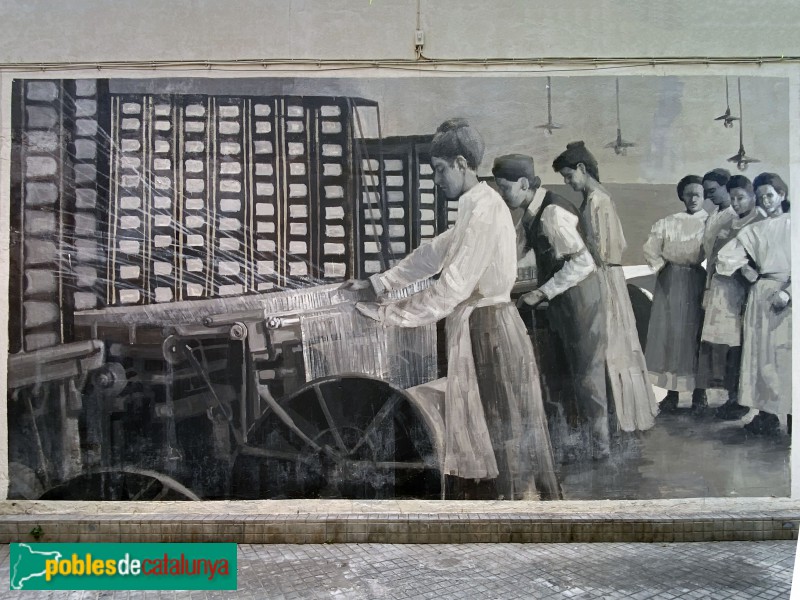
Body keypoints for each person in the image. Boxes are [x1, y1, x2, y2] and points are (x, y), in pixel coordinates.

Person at [353, 120, 560, 500]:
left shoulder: (484, 212)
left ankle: (520, 519)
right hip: (484, 327)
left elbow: (450, 289)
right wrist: (378, 285)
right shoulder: (475, 207)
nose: (436, 179)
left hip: (492, 331)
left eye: (440, 170)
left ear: (462, 163)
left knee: (506, 432)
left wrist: (388, 314)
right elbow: (433, 254)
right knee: (497, 431)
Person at [493, 153, 611, 461]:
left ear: (523, 183)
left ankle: (599, 447)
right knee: (558, 375)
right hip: (563, 303)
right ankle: (569, 444)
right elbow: (523, 254)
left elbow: (584, 262)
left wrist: (542, 292)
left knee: (586, 375)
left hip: (582, 301)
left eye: (505, 188)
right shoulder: (531, 213)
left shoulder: (552, 213)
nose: (502, 195)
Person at [552, 141, 657, 432]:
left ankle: (619, 416)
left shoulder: (599, 201)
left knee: (611, 344)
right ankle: (612, 414)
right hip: (603, 273)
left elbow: (602, 248)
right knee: (608, 344)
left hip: (604, 277)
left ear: (582, 169)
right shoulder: (594, 199)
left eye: (568, 176)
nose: (567, 182)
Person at [716, 173, 791, 436]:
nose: (766, 201)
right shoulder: (753, 229)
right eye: (760, 198)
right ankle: (767, 415)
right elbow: (724, 259)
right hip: (761, 296)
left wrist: (789, 292)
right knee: (762, 357)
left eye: (770, 195)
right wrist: (748, 271)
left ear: (782, 194)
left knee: (788, 356)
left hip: (789, 295)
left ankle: (793, 416)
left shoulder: (794, 224)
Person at [697, 175, 766, 420]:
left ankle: (742, 400)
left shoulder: (759, 222)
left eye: (741, 198)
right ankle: (731, 397)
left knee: (741, 346)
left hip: (742, 291)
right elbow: (715, 258)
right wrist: (708, 287)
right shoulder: (729, 222)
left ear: (752, 197)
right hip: (721, 291)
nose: (736, 203)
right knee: (725, 346)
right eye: (733, 198)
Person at [643, 175, 708, 413]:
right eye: (688, 194)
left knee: (694, 335)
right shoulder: (668, 222)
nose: (692, 199)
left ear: (704, 197)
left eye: (697, 194)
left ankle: (699, 394)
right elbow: (650, 249)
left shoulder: (709, 223)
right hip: (669, 282)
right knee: (670, 336)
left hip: (695, 280)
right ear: (682, 195)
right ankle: (671, 393)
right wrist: (665, 270)